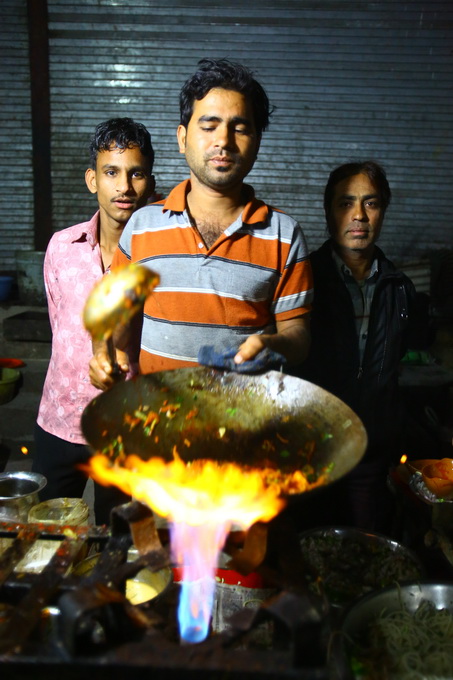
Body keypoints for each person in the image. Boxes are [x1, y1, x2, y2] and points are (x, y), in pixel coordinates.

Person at [89, 58, 313, 389]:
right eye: (208, 127)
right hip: (159, 418)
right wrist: (104, 355)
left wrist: (274, 345)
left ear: (257, 142)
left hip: (242, 422)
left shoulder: (284, 235)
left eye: (239, 128)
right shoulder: (141, 227)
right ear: (182, 138)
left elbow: (299, 335)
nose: (223, 141)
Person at [33, 117, 155, 525]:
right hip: (59, 420)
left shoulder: (160, 259)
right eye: (111, 173)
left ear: (150, 181)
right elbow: (59, 325)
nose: (125, 187)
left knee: (117, 544)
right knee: (43, 535)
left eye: (136, 173)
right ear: (92, 179)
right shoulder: (62, 247)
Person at [294, 160, 417, 533]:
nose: (359, 215)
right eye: (346, 203)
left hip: (371, 452)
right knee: (307, 547)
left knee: (363, 549)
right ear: (328, 211)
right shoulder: (302, 279)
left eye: (371, 203)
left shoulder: (399, 288)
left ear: (383, 211)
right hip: (312, 451)